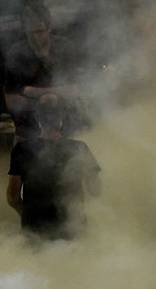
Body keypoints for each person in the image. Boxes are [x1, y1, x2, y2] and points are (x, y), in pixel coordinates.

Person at [6, 93, 100, 240]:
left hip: (35, 229)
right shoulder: (79, 148)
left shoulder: (21, 149)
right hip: (72, 227)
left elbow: (13, 197)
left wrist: (27, 213)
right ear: (61, 119)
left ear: (38, 119)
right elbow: (95, 191)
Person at [5, 2, 83, 140]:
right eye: (31, 33)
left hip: (66, 122)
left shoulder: (65, 48)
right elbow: (10, 97)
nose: (35, 37)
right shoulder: (16, 54)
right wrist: (41, 104)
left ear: (49, 28)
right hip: (29, 125)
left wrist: (36, 92)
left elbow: (76, 89)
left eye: (40, 32)